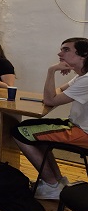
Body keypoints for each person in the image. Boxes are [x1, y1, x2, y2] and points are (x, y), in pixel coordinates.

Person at [12, 37, 88, 200]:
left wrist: (51, 71)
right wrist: (52, 95)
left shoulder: (86, 80)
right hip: (76, 126)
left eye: (66, 50)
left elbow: (50, 99)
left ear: (84, 55)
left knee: (19, 132)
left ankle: (51, 185)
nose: (60, 54)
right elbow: (59, 90)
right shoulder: (81, 76)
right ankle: (57, 182)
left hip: (83, 132)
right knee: (34, 132)